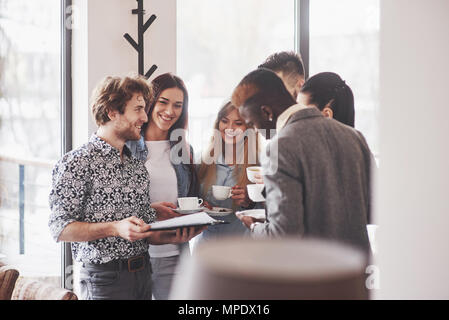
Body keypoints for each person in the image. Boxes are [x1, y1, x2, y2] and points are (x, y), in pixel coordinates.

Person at [48, 75, 204, 300]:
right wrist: (114, 228)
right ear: (112, 112)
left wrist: (176, 235)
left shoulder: (135, 165)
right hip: (105, 278)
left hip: (143, 273)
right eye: (138, 109)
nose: (144, 116)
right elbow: (60, 228)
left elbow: (140, 233)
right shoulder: (77, 162)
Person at [231, 68, 372, 254]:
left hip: (313, 274)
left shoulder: (278, 148)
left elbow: (283, 236)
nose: (254, 130)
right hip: (358, 274)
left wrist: (255, 228)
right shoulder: (355, 137)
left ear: (266, 112)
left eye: (251, 122)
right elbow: (371, 210)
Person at [126, 73, 199, 300]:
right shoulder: (126, 148)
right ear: (150, 102)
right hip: (135, 258)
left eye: (178, 105)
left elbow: (190, 198)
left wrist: (197, 214)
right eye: (163, 102)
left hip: (175, 254)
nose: (170, 111)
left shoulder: (184, 150)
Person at [193, 100, 262, 245]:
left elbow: (271, 214)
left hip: (241, 250)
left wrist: (249, 204)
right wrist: (199, 207)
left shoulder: (259, 165)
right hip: (206, 248)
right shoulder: (202, 161)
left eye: (238, 123)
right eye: (225, 121)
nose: (230, 128)